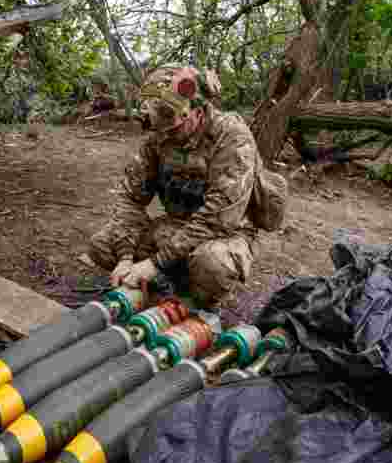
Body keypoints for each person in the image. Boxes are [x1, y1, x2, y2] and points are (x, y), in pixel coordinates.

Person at [85, 65, 262, 319]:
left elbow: (217, 218)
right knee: (102, 245)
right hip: (176, 226)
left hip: (224, 234)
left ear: (198, 112)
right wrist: (125, 257)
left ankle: (198, 298)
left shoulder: (232, 137)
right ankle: (165, 282)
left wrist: (154, 263)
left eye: (173, 129)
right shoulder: (160, 135)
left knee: (212, 265)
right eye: (160, 129)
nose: (166, 136)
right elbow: (130, 198)